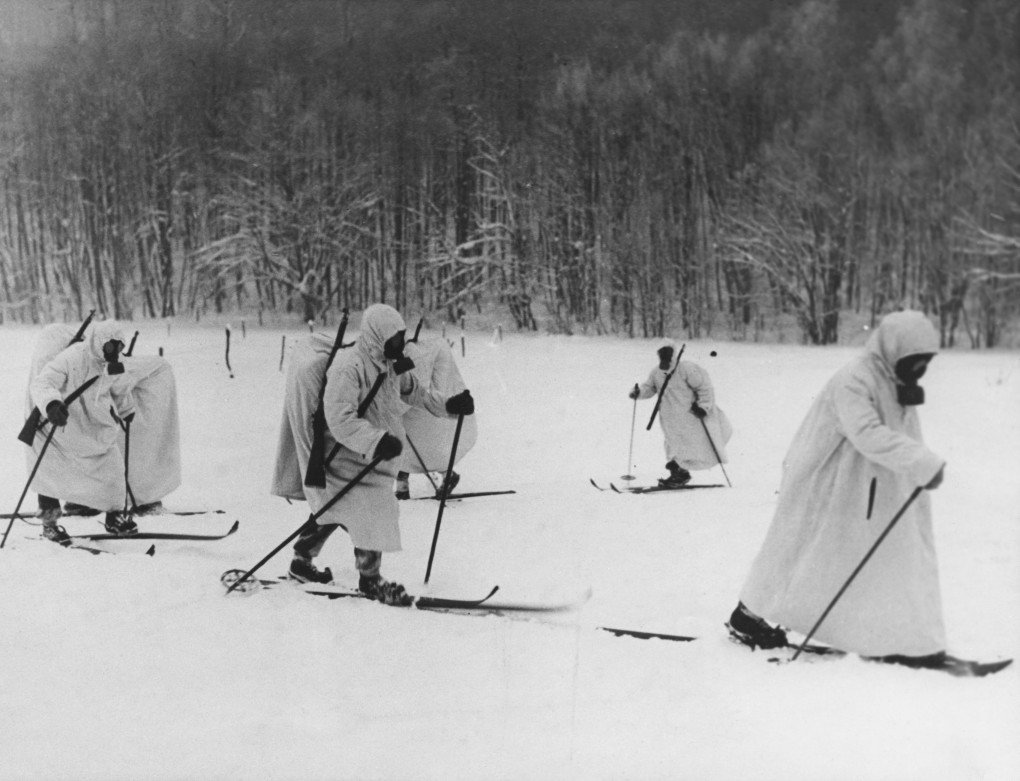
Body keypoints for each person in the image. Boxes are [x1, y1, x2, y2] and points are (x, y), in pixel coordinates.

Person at [729, 311, 948, 666]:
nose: (920, 370)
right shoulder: (855, 379)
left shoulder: (891, 378)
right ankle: (747, 615)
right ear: (894, 349)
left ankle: (890, 635)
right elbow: (866, 432)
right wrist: (921, 462)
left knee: (850, 557)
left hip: (859, 483)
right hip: (823, 480)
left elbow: (899, 431)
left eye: (925, 363)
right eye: (915, 362)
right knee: (798, 549)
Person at [271, 304, 475, 605]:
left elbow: (415, 392)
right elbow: (340, 419)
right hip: (344, 454)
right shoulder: (348, 366)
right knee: (370, 509)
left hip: (370, 454)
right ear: (378, 336)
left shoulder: (390, 363)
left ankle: (301, 563)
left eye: (401, 337)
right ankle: (371, 580)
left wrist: (449, 405)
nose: (400, 344)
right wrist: (377, 441)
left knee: (333, 507)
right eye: (395, 338)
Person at [25, 320, 182, 542]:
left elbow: (120, 389)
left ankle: (115, 517)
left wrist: (127, 410)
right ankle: (49, 524)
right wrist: (51, 404)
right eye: (109, 346)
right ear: (98, 342)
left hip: (96, 429)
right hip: (62, 428)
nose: (114, 352)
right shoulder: (72, 357)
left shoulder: (115, 363)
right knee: (50, 475)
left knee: (113, 472)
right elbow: (42, 383)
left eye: (119, 346)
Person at [629, 341, 732, 486]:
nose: (664, 358)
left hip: (690, 415)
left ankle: (680, 473)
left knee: (692, 444)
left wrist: (703, 406)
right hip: (669, 417)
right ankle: (679, 473)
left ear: (673, 355)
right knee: (673, 444)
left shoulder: (687, 369)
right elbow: (649, 388)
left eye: (667, 355)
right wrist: (638, 393)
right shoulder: (656, 372)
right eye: (662, 355)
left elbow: (705, 388)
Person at [393, 333, 478, 500]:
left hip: (425, 403)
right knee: (404, 437)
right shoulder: (399, 351)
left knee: (415, 437)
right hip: (418, 402)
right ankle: (405, 485)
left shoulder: (418, 353)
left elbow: (418, 389)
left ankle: (445, 476)